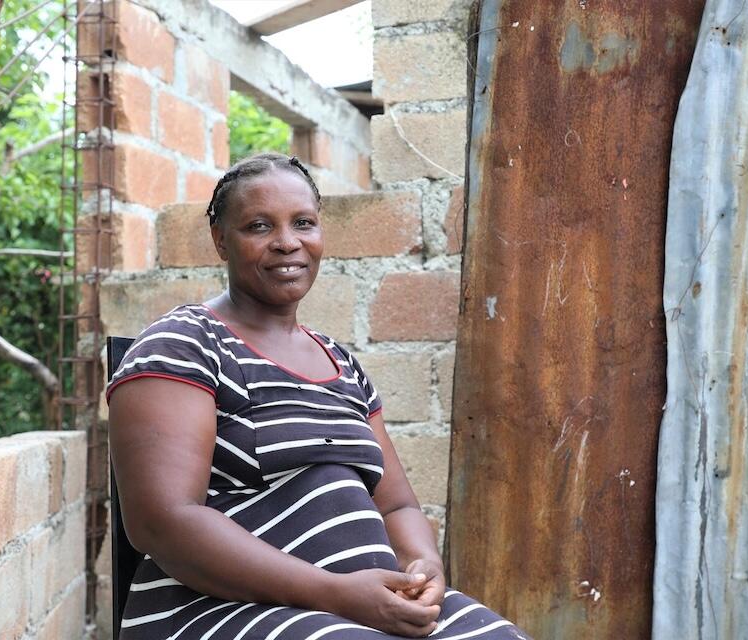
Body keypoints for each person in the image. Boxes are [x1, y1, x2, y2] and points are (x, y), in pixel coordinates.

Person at [107, 153, 530, 640]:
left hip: (360, 607)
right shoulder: (185, 343)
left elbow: (397, 507)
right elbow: (162, 523)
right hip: (222, 609)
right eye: (259, 226)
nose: (288, 243)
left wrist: (422, 568)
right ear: (221, 241)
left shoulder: (340, 363)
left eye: (303, 223)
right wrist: (336, 592)